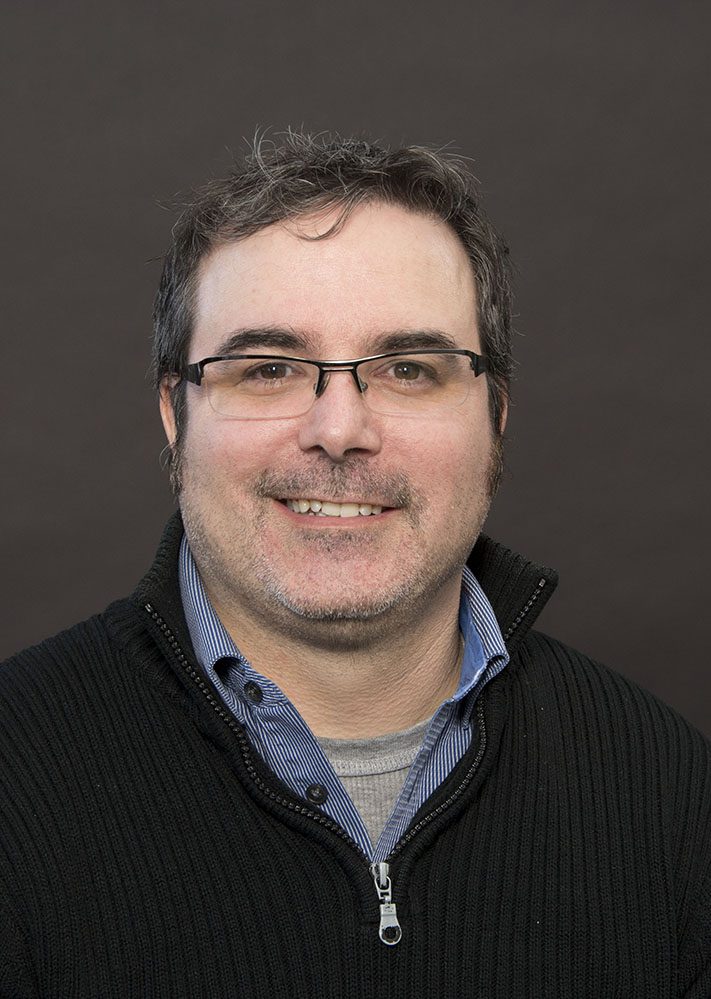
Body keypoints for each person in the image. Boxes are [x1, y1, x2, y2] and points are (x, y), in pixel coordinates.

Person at [1, 132, 709, 999]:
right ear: (174, 415)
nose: (338, 429)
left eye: (407, 367)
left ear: (495, 416)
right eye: (268, 368)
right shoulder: (14, 778)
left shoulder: (667, 792)